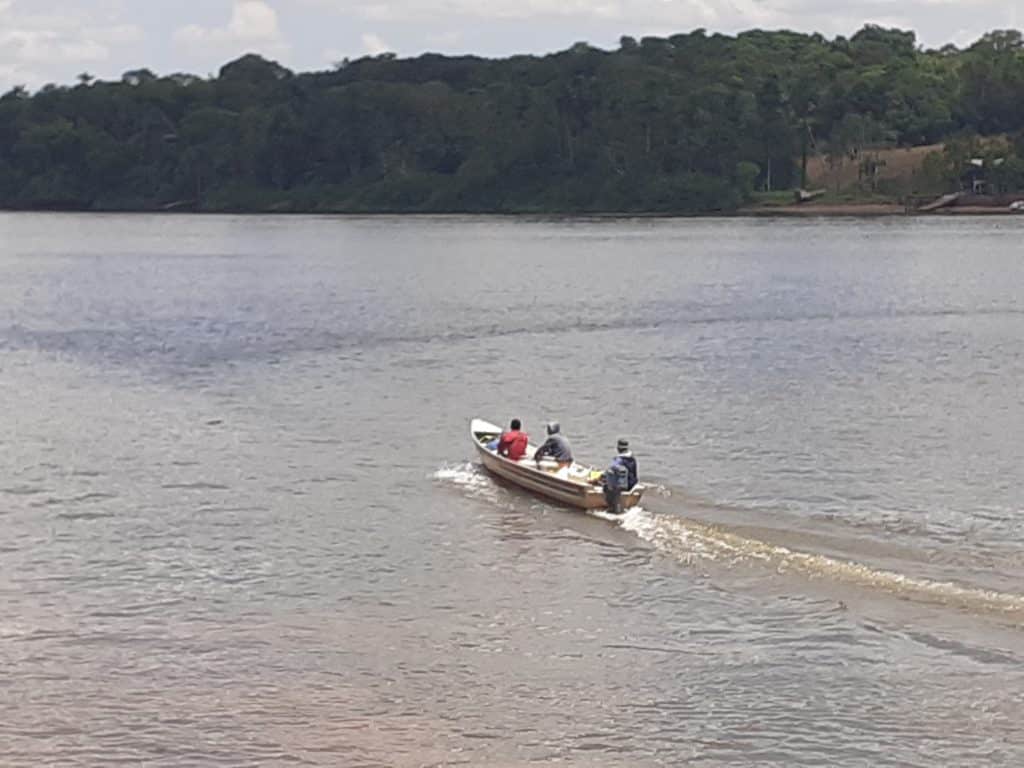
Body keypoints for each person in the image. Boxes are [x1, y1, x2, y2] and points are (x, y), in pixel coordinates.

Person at [603, 438, 638, 515]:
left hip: (623, 486)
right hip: (632, 484)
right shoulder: (632, 458)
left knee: (605, 486)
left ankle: (612, 507)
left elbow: (612, 468)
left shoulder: (619, 460)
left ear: (618, 448)